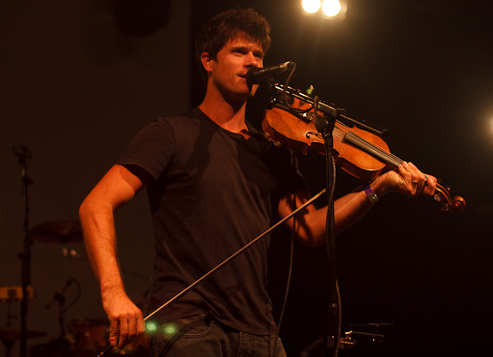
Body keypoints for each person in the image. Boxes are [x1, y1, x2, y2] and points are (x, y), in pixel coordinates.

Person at [79, 8, 436, 356]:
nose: (252, 62)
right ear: (208, 61)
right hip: (191, 326)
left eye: (258, 54)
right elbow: (96, 204)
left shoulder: (271, 151)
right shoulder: (169, 134)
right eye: (239, 51)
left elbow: (311, 228)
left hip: (260, 331)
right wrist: (114, 294)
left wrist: (377, 188)